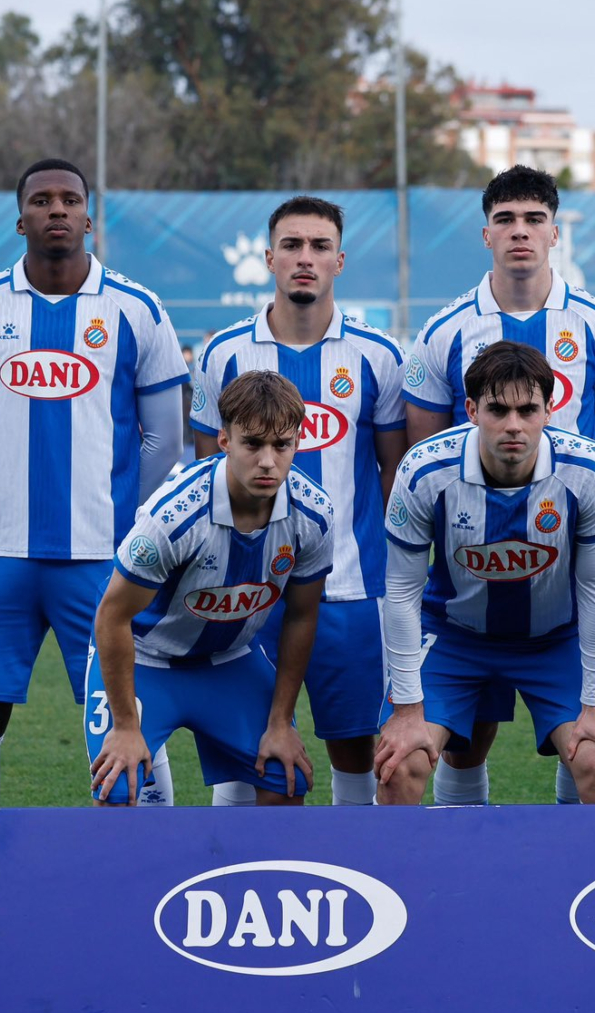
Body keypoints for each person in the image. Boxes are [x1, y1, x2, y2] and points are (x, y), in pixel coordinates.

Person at [0, 158, 188, 982]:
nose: (57, 211)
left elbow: (164, 441)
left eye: (70, 201)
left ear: (89, 218)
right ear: (19, 217)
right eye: (42, 201)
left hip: (103, 563)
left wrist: (128, 530)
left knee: (129, 719)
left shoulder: (136, 310)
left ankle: (156, 908)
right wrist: (4, 502)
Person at [401, 165, 595, 806]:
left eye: (534, 219)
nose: (520, 232)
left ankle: (577, 876)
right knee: (462, 743)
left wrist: (565, 518)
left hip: (558, 574)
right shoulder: (444, 331)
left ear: (554, 232)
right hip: (467, 571)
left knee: (592, 755)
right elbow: (417, 452)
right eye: (506, 220)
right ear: (486, 233)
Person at [192, 196, 407, 808]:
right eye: (291, 245)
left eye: (318, 247)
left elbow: (395, 477)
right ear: (268, 258)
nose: (304, 258)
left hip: (351, 592)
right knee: (248, 755)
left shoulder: (378, 356)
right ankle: (236, 881)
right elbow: (210, 472)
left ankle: (363, 885)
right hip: (247, 594)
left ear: (340, 260)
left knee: (356, 755)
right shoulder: (224, 355)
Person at [374, 342, 595, 807]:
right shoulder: (424, 472)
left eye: (528, 409)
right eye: (497, 409)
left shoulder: (589, 471)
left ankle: (584, 876)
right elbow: (402, 590)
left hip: (554, 638)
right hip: (455, 636)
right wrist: (408, 708)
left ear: (549, 411)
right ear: (471, 409)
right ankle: (413, 878)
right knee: (400, 764)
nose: (514, 425)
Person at [86, 370, 330, 810]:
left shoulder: (313, 516)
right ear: (224, 441)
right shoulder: (173, 517)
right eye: (252, 444)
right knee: (117, 789)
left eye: (282, 445)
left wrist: (280, 722)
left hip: (228, 661)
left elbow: (301, 615)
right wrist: (125, 726)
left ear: (299, 442)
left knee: (285, 779)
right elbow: (112, 616)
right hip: (145, 659)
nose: (268, 461)